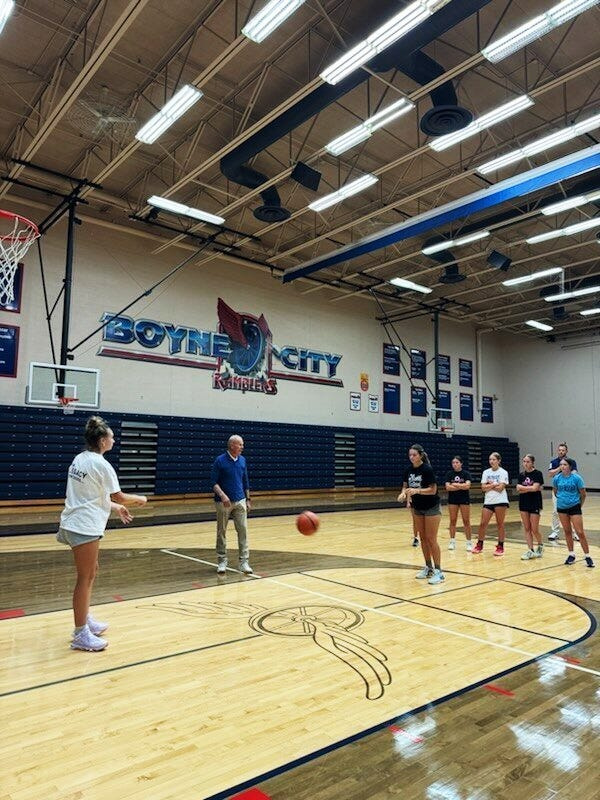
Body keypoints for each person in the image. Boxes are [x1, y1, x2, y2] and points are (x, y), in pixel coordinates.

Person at [57, 416, 147, 652]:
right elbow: (118, 495)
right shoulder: (101, 464)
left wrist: (115, 508)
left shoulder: (81, 459)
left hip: (75, 521)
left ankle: (84, 617)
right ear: (102, 440)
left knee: (91, 572)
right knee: (84, 578)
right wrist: (139, 499)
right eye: (111, 437)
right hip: (83, 526)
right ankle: (80, 634)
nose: (114, 440)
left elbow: (93, 495)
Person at [398, 443, 444, 585]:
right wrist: (403, 493)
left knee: (431, 539)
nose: (411, 457)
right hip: (417, 507)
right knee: (423, 538)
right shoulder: (408, 470)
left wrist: (417, 491)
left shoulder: (427, 469)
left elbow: (433, 490)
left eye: (414, 455)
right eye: (410, 455)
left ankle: (439, 572)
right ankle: (428, 568)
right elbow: (405, 486)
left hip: (431, 507)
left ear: (420, 455)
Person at [211, 434, 252, 575]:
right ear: (232, 445)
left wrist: (248, 499)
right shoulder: (220, 461)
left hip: (240, 500)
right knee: (221, 531)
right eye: (240, 444)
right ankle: (222, 560)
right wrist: (222, 496)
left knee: (243, 531)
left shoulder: (243, 460)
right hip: (223, 503)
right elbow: (213, 483)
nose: (242, 447)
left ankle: (244, 561)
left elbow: (245, 480)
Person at [553, 458, 594, 568]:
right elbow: (555, 491)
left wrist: (579, 505)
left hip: (574, 507)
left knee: (580, 532)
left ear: (570, 466)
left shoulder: (577, 478)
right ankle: (571, 554)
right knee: (567, 531)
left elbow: (583, 494)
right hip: (561, 507)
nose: (562, 466)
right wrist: (562, 499)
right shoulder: (557, 478)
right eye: (561, 465)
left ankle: (587, 556)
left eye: (565, 464)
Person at [472, 452, 509, 556]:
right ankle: (479, 544)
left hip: (500, 501)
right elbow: (483, 488)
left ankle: (500, 546)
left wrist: (490, 485)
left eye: (493, 459)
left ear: (498, 461)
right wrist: (494, 485)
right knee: (483, 523)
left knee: (500, 524)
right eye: (490, 460)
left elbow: (501, 488)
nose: (491, 461)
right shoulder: (486, 472)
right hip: (488, 501)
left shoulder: (503, 472)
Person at [547, 443, 579, 542]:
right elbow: (550, 474)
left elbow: (574, 473)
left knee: (572, 511)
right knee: (556, 511)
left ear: (566, 451)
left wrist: (565, 470)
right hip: (558, 489)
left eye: (563, 450)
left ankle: (575, 533)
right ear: (558, 451)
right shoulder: (553, 462)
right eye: (560, 450)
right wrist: (559, 468)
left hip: (569, 490)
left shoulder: (572, 462)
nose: (561, 452)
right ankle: (555, 532)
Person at [517, 454, 544, 560]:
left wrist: (524, 488)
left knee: (534, 529)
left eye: (528, 461)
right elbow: (518, 489)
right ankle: (530, 550)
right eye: (524, 461)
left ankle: (540, 545)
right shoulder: (521, 475)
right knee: (527, 528)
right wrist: (530, 488)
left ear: (532, 463)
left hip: (535, 502)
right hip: (523, 503)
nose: (525, 463)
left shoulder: (537, 474)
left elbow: (535, 488)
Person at [444, 455, 473, 551]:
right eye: (453, 463)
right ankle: (452, 541)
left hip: (464, 500)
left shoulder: (466, 474)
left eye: (457, 462)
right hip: (453, 500)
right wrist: (461, 485)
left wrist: (455, 485)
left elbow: (467, 486)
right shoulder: (449, 474)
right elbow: (448, 487)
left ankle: (469, 542)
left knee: (466, 521)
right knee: (453, 520)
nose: (455, 464)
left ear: (461, 463)